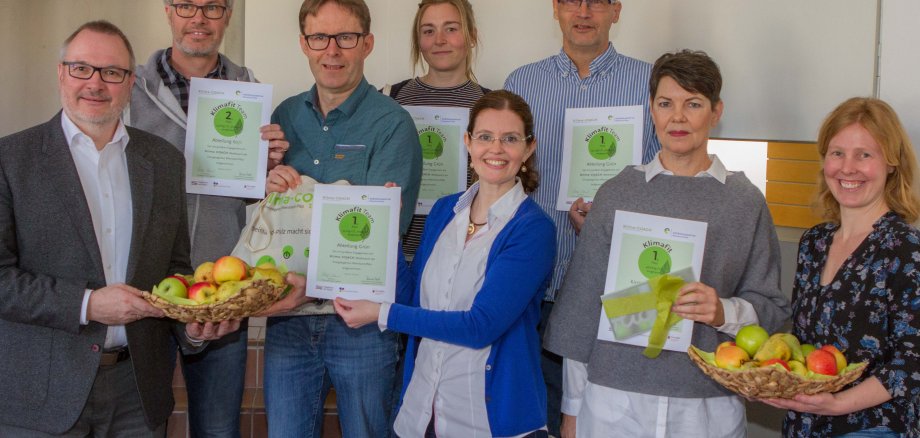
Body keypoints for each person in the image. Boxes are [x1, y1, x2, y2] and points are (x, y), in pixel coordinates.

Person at [0, 20, 238, 436]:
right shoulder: (11, 159)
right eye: (81, 68)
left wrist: (194, 323)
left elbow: (175, 269)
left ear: (130, 84)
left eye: (112, 73)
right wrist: (88, 304)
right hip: (40, 399)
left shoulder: (163, 162)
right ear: (61, 73)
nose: (95, 83)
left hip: (138, 393)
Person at [544, 50, 791, 437]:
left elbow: (772, 309)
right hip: (613, 399)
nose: (678, 117)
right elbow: (584, 304)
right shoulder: (617, 193)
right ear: (651, 110)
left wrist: (722, 310)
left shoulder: (744, 201)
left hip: (705, 403)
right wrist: (572, 410)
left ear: (716, 111)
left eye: (693, 104)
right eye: (666, 103)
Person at [335, 90, 556, 437]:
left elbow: (480, 326)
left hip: (488, 421)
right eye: (485, 137)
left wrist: (380, 313)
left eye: (510, 139)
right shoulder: (443, 212)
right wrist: (385, 229)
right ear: (468, 143)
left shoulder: (533, 229)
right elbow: (412, 299)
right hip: (421, 414)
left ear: (528, 148)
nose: (495, 149)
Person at [127, 1, 289, 436]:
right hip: (151, 286)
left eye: (212, 6)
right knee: (143, 425)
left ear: (228, 14)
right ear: (167, 10)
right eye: (186, 4)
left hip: (222, 286)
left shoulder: (248, 89)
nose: (199, 17)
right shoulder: (133, 88)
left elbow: (253, 197)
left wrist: (266, 165)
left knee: (218, 429)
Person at [262, 0, 422, 436]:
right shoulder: (283, 118)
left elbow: (377, 238)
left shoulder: (393, 125)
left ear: (366, 44)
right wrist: (268, 184)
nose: (331, 50)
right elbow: (272, 222)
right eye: (319, 37)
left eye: (346, 37)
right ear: (303, 44)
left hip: (362, 325)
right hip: (288, 326)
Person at [503, 1, 661, 433]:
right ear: (556, 8)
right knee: (539, 413)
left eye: (597, 1)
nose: (584, 10)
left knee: (613, 415)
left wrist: (612, 218)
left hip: (622, 284)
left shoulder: (650, 84)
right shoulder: (523, 83)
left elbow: (663, 181)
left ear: (617, 10)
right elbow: (504, 173)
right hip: (538, 279)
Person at [760, 97, 920, 437]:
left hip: (873, 427)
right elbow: (803, 341)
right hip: (805, 423)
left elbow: (913, 361)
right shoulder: (814, 243)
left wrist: (838, 404)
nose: (848, 168)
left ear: (892, 163)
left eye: (865, 154)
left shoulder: (907, 249)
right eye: (837, 153)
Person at [387, 0, 490, 259]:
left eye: (451, 29)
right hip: (400, 255)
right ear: (418, 40)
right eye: (429, 30)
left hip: (463, 258)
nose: (439, 40)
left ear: (472, 36)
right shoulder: (390, 100)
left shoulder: (491, 107)